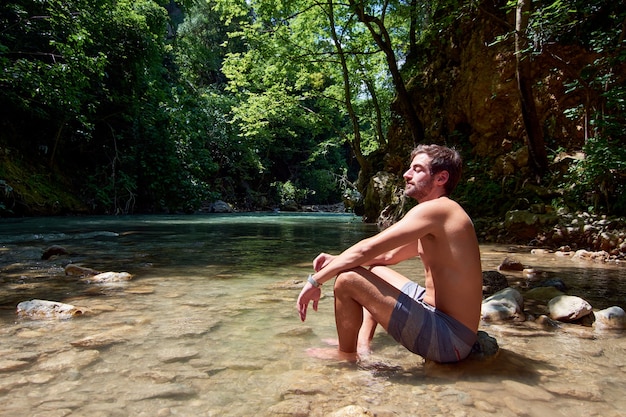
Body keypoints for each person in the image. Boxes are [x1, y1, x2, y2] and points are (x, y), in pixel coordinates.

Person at [296, 144, 483, 363]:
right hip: (440, 318)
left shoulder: (438, 210)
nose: (406, 174)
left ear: (441, 178)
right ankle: (362, 344)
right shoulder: (442, 216)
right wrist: (338, 260)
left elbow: (368, 248)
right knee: (376, 270)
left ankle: (346, 356)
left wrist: (316, 281)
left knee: (347, 280)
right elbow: (386, 256)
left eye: (417, 169)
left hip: (451, 340)